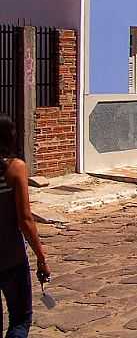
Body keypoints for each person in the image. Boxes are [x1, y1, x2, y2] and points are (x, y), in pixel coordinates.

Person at [0, 116, 50, 338]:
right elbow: (25, 219)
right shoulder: (14, 168)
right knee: (20, 319)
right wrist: (41, 256)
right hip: (10, 256)